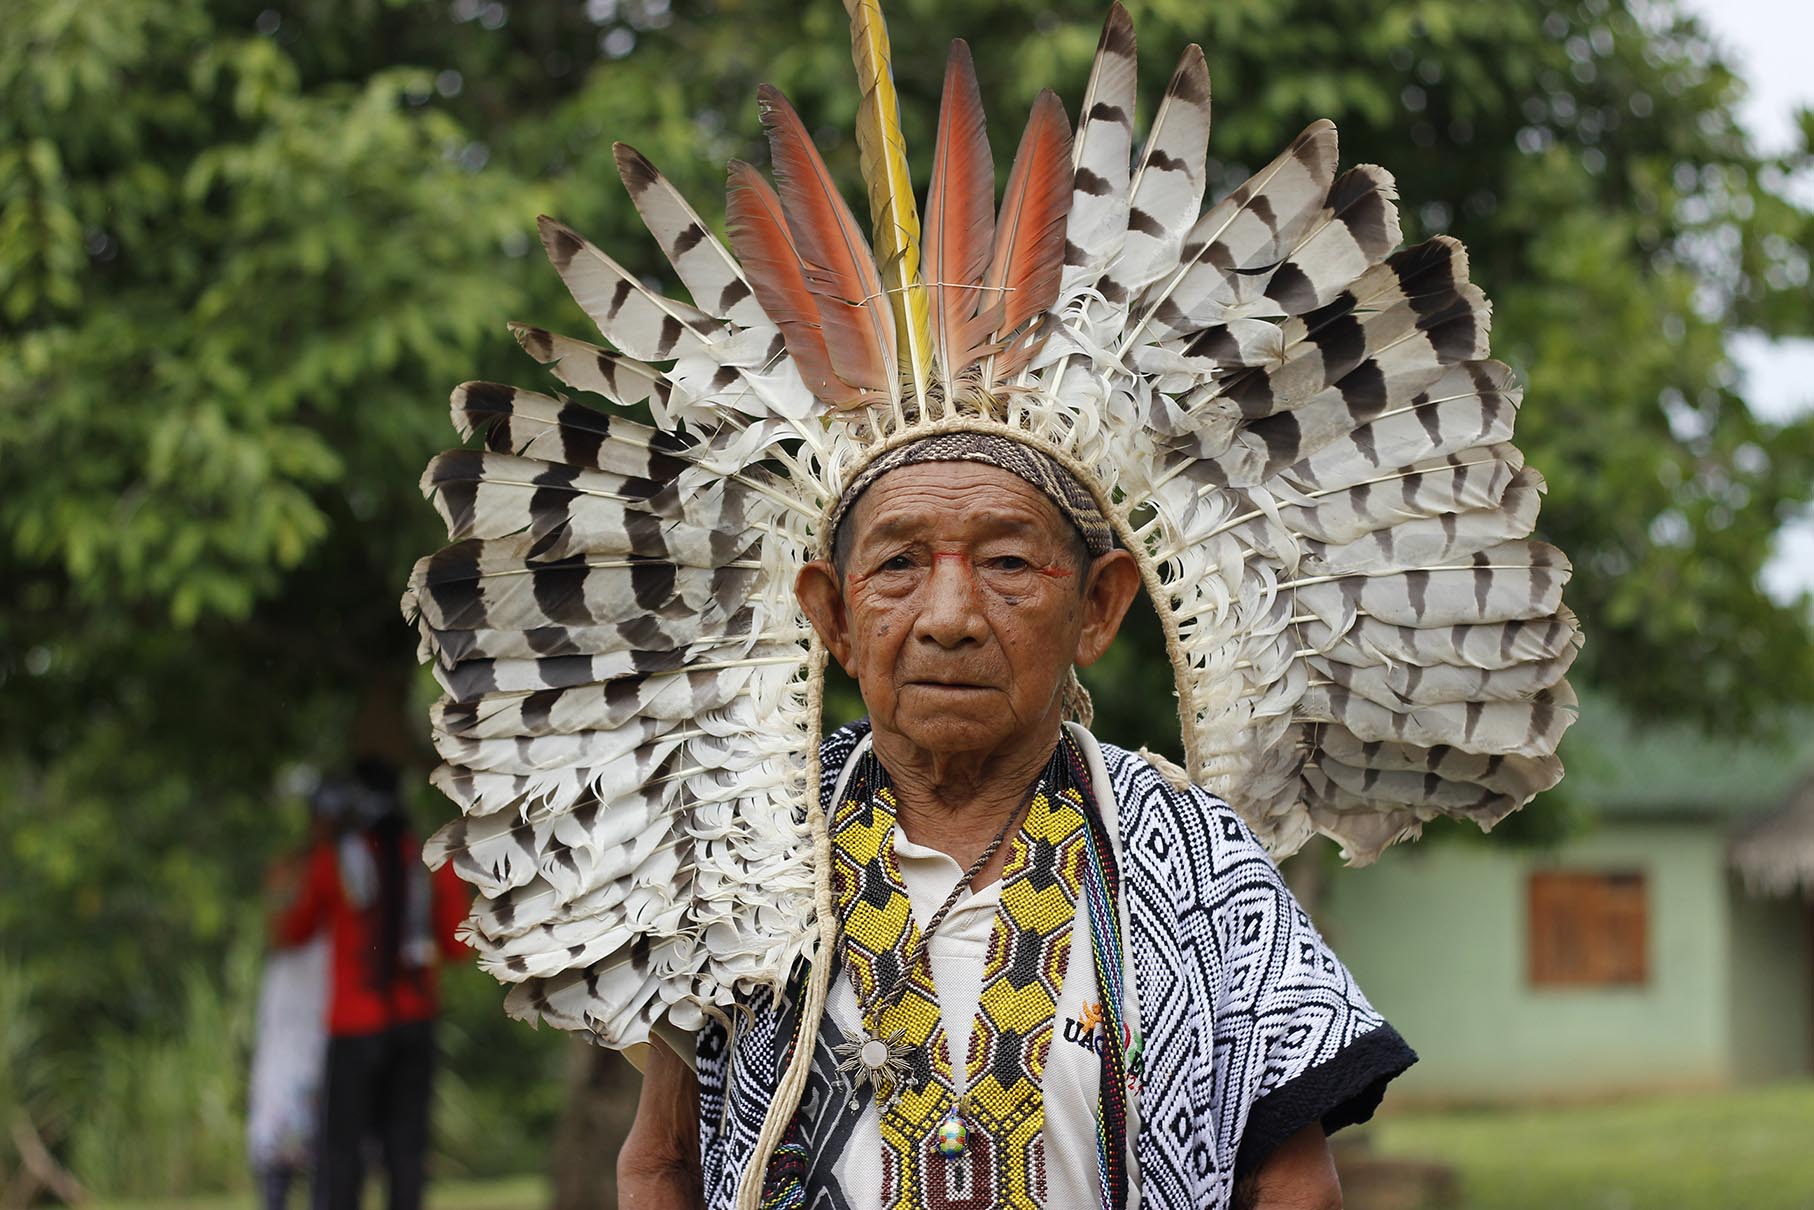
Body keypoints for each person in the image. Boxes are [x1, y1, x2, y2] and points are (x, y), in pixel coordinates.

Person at [401, 2, 1579, 1206]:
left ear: (1099, 606)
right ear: (828, 615)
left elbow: (1293, 1185)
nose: (950, 615)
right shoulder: (731, 857)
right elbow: (658, 1164)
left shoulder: (1192, 860)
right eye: (897, 566)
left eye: (1009, 563)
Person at [270, 760, 469, 1210]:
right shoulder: (429, 861)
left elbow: (292, 930)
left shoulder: (334, 862)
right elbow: (458, 946)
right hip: (416, 1022)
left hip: (353, 1027)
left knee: (342, 1154)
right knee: (407, 1153)